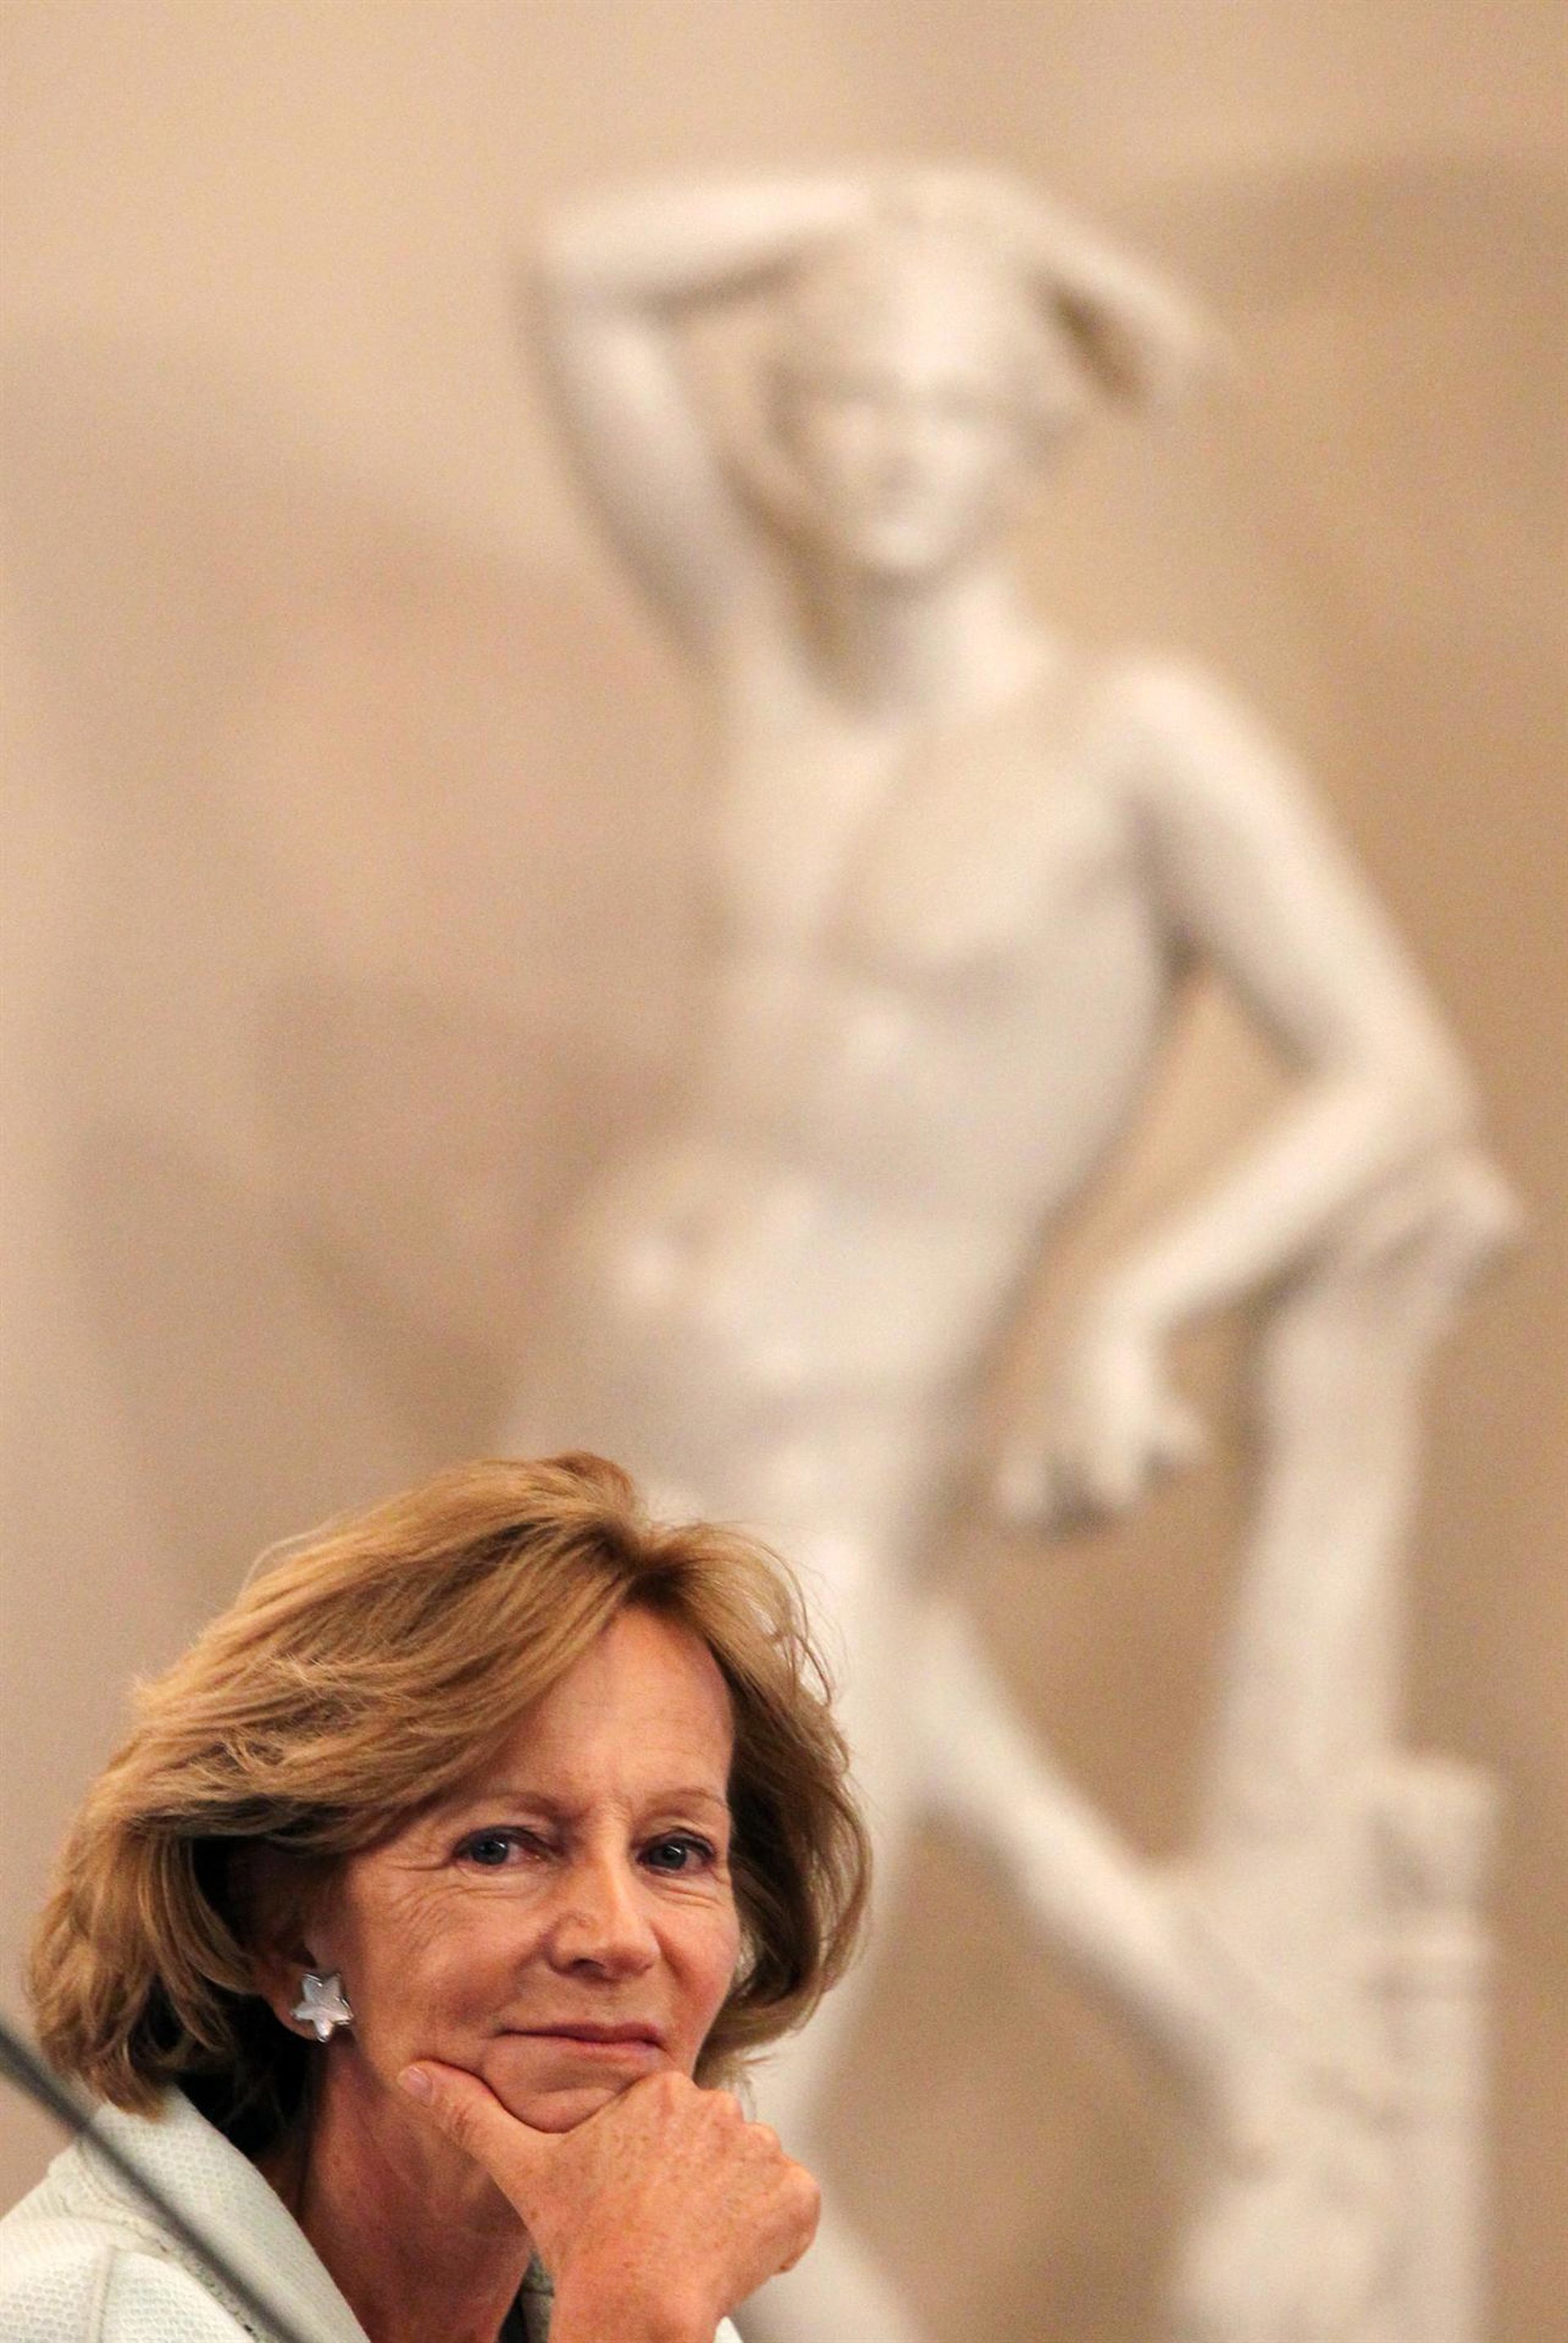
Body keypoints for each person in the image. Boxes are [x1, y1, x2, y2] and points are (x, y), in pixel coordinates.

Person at [509, 169, 1518, 2340]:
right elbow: (581, 273)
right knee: (502, 2071)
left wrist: (1137, 1300)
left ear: (1032, 447)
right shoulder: (770, 656)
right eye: (851, 397)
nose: (895, 451)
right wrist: (948, 206)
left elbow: (1401, 1077)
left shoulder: (1135, 741)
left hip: (830, 1479)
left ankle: (1206, 2028)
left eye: (955, 406)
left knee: (691, 2125)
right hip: (583, 1427)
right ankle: (1203, 2019)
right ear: (788, 426)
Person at [0, 1453, 870, 2343]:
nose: (618, 1937)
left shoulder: (632, 2289)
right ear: (285, 1936)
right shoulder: (88, 2317)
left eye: (674, 1852)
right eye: (500, 1847)